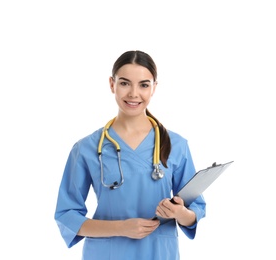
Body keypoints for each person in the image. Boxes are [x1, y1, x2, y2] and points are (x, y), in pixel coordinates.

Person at [54, 50, 206, 260]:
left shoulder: (176, 145)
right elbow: (67, 216)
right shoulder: (87, 148)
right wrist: (121, 227)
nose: (134, 93)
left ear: (154, 88)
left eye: (144, 84)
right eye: (125, 83)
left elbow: (194, 210)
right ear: (111, 84)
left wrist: (180, 213)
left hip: (159, 253)